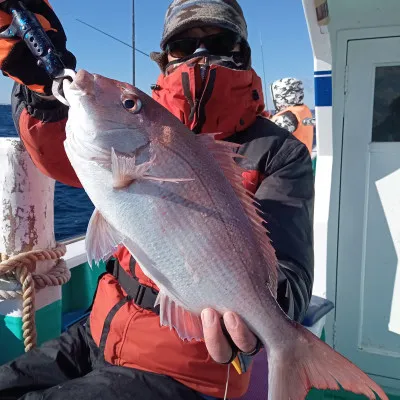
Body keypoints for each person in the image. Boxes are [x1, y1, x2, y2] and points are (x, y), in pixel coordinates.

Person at [0, 1, 314, 399]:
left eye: (218, 40)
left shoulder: (278, 151)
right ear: (165, 58)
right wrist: (42, 90)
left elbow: (290, 273)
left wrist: (258, 324)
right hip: (100, 327)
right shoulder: (140, 127)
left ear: (241, 53)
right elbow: (59, 154)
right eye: (183, 45)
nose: (201, 54)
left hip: (189, 366)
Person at [270, 77, 314, 154]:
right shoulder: (303, 109)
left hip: (291, 164)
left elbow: (267, 139)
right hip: (303, 161)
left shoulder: (286, 117)